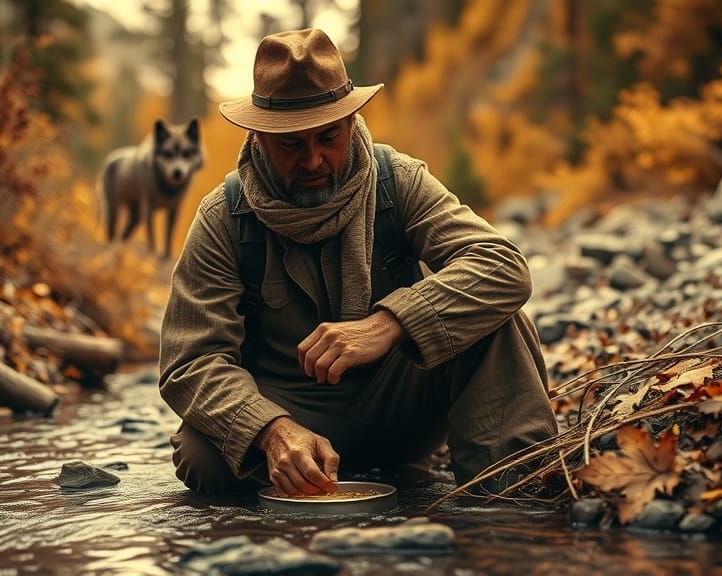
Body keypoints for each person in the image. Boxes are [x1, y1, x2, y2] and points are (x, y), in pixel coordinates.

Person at [158, 28, 557, 497]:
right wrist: (271, 430)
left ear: (351, 123)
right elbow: (190, 363)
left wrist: (389, 323)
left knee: (494, 314)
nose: (313, 160)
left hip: (404, 404)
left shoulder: (400, 181)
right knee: (199, 457)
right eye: (291, 144)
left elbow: (502, 265)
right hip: (292, 412)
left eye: (327, 137)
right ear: (259, 138)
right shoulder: (223, 217)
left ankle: (512, 489)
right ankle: (296, 469)